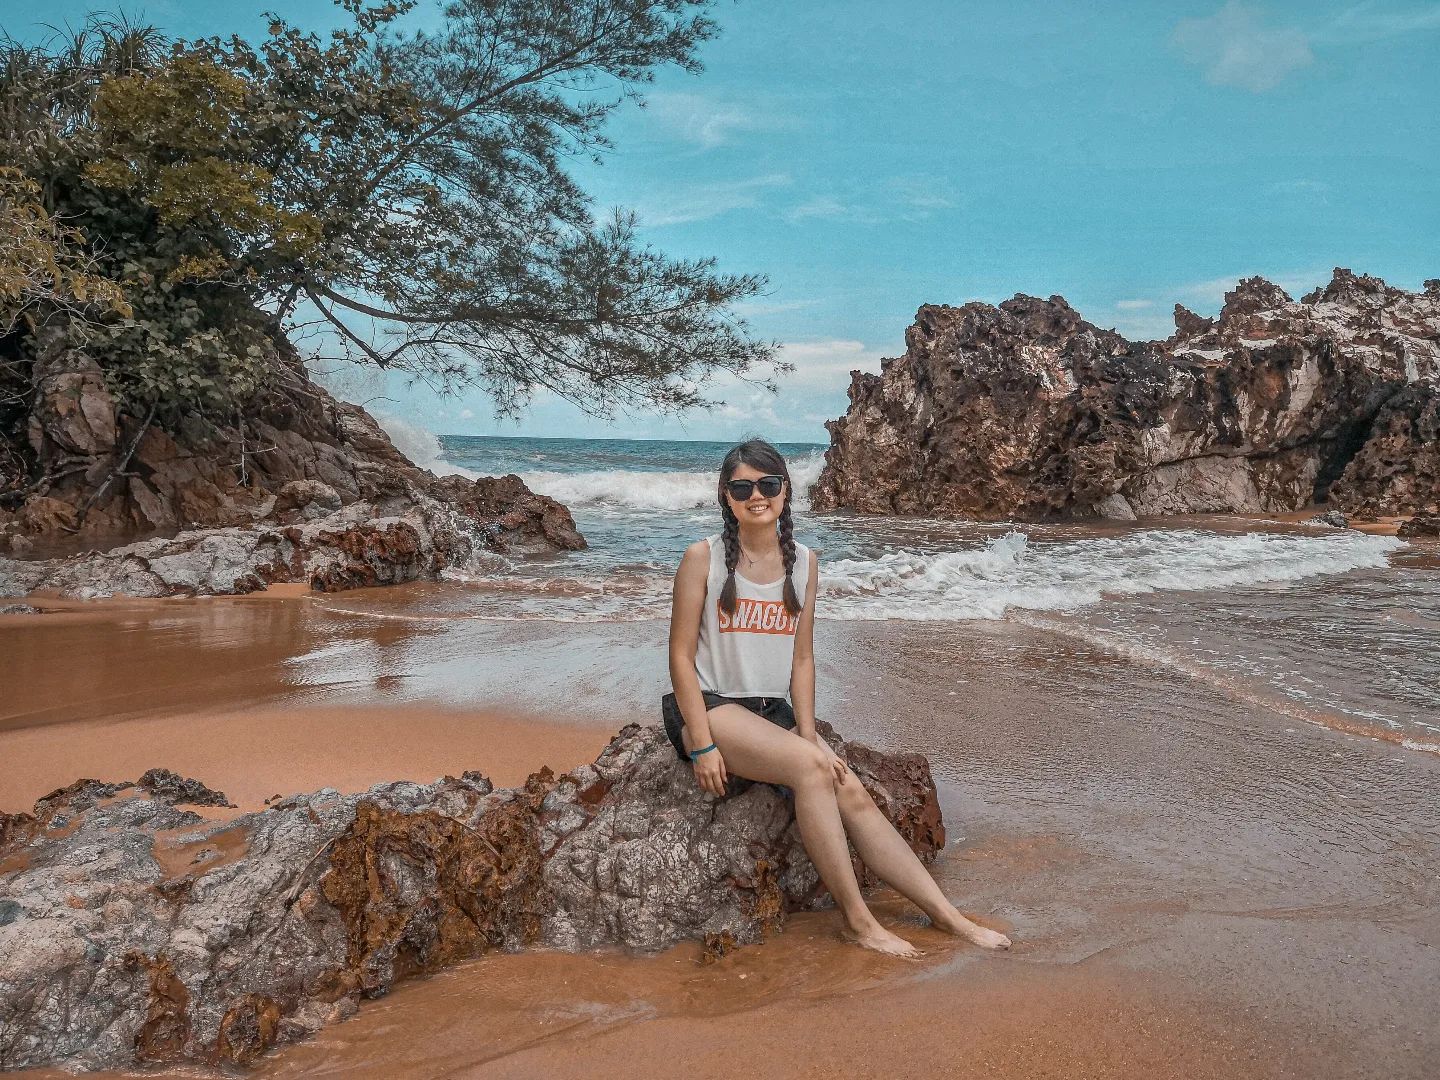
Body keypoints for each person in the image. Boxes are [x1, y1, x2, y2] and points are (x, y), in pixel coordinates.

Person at [663, 437, 1012, 959]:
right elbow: (679, 658)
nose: (756, 496)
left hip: (770, 712)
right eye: (742, 487)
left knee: (845, 784)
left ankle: (947, 914)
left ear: (784, 492)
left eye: (768, 484)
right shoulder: (703, 559)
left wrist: (808, 731)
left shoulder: (805, 563)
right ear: (726, 497)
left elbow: (802, 659)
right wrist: (704, 743)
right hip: (712, 707)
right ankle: (858, 922)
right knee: (811, 770)